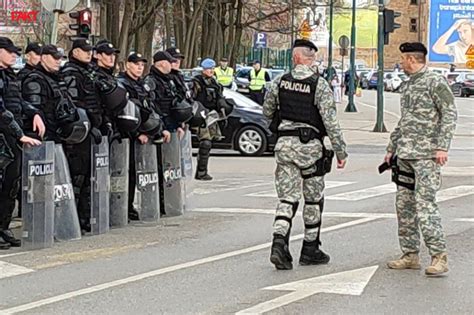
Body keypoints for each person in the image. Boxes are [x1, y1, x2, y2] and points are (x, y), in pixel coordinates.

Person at [263, 39, 348, 270]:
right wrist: (340, 151)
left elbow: (267, 112)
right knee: (313, 198)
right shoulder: (318, 84)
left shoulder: (279, 82)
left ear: (294, 57)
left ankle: (279, 244)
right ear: (310, 59)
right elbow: (331, 122)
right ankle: (310, 248)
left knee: (287, 198)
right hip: (310, 147)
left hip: (284, 145)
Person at [385, 42, 457, 276]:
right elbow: (405, 119)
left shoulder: (435, 82)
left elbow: (449, 114)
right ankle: (410, 254)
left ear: (413, 60)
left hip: (427, 155)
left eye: (404, 59)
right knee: (404, 206)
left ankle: (439, 256)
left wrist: (442, 147)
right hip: (405, 154)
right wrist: (391, 147)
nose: (401, 63)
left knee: (425, 206)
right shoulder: (408, 85)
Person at [0, 37, 43, 249]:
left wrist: (34, 113)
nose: (14, 55)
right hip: (3, 139)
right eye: (9, 51)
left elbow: (18, 101)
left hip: (10, 138)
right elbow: (1, 112)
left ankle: (3, 226)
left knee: (11, 184)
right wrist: (19, 134)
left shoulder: (9, 75)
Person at [61, 38, 107, 232]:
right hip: (80, 131)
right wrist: (88, 123)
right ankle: (73, 220)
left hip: (92, 128)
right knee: (78, 175)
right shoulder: (71, 73)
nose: (89, 54)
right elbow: (75, 103)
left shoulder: (90, 72)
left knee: (89, 175)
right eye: (84, 50)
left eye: (90, 50)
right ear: (75, 52)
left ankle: (85, 217)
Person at [118, 52, 166, 220]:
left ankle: (138, 206)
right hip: (129, 136)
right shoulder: (123, 84)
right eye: (136, 64)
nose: (139, 67)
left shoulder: (141, 85)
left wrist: (158, 128)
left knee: (141, 172)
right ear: (127, 65)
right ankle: (125, 207)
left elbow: (150, 108)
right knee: (127, 173)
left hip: (144, 134)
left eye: (142, 65)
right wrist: (138, 133)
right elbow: (126, 113)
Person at [191, 58, 227, 181]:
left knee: (209, 142)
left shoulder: (215, 83)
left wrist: (222, 106)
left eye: (212, 69)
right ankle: (201, 172)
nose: (211, 71)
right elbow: (192, 100)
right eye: (208, 69)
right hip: (201, 115)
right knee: (205, 142)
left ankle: (202, 170)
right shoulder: (196, 82)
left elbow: (219, 98)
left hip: (212, 116)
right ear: (203, 69)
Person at [145, 51, 185, 142]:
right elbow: (152, 107)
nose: (172, 65)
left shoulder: (168, 81)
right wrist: (161, 129)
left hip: (171, 126)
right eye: (170, 62)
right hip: (160, 130)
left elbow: (172, 104)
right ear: (163, 63)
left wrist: (178, 125)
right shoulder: (151, 81)